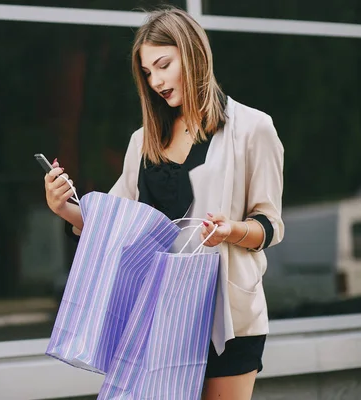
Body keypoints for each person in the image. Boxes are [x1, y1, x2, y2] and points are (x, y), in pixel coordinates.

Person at [43, 6, 284, 400]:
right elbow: (117, 225)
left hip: (225, 320)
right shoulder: (144, 140)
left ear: (192, 54)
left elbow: (270, 226)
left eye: (163, 65)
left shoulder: (253, 128)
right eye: (147, 73)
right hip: (160, 315)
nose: (155, 81)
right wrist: (64, 208)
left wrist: (232, 231)